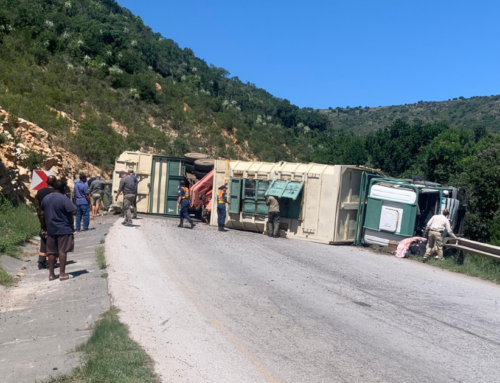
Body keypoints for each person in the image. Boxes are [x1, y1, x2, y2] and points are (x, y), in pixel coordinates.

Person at [40, 180, 77, 281]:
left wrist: (44, 227)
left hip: (51, 228)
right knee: (62, 250)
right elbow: (73, 211)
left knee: (51, 252)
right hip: (64, 228)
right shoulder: (64, 199)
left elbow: (42, 214)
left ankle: (51, 275)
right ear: (64, 188)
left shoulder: (46, 198)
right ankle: (62, 274)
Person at [35, 175, 56, 269]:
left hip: (43, 218)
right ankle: (50, 262)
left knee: (43, 238)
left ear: (46, 182)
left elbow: (37, 207)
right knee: (53, 241)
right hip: (54, 219)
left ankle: (41, 261)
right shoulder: (56, 193)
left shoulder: (40, 192)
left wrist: (40, 218)